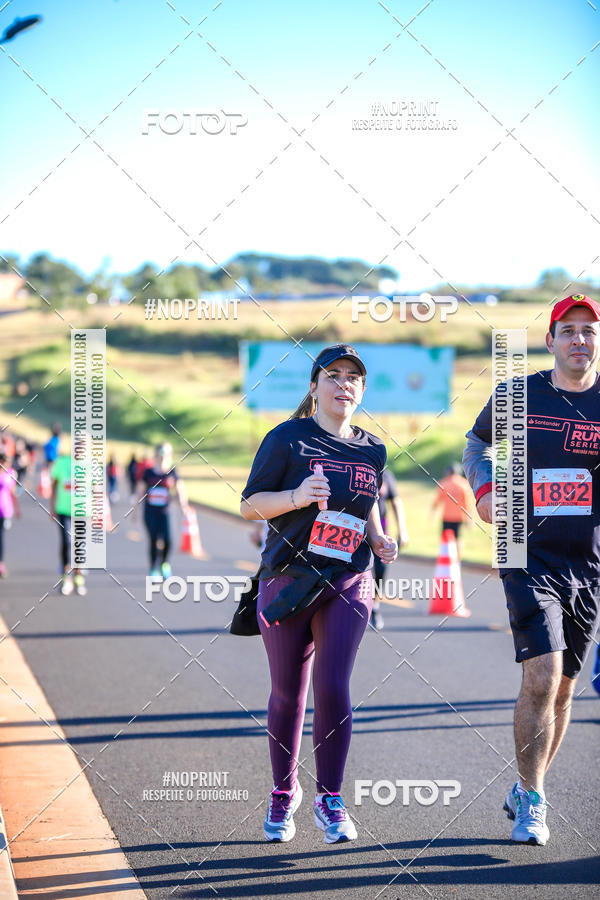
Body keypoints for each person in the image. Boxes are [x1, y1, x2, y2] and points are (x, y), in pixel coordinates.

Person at [240, 343, 397, 844]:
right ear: (314, 387)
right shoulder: (287, 439)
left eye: (353, 377)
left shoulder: (373, 448)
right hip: (286, 579)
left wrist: (376, 536)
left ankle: (330, 798)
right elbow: (249, 505)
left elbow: (366, 501)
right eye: (332, 375)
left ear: (362, 390)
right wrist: (295, 497)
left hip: (347, 578)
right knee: (289, 693)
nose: (343, 383)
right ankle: (284, 792)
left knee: (333, 688)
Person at [463, 294, 600, 846]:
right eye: (566, 330)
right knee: (542, 676)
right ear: (549, 341)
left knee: (565, 689)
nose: (578, 340)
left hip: (587, 562)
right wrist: (485, 487)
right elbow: (477, 442)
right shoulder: (519, 395)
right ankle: (535, 797)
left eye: (588, 331)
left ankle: (527, 787)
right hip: (526, 553)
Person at [134, 442, 188, 578]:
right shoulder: (148, 472)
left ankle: (164, 563)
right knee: (153, 540)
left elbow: (180, 490)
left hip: (166, 512)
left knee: (168, 540)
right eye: (162, 453)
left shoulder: (172, 472)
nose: (164, 457)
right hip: (150, 512)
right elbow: (140, 492)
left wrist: (184, 508)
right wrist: (135, 511)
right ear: (156, 455)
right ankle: (153, 569)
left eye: (168, 453)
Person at [370, 467, 409, 629]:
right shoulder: (360, 468)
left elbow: (396, 502)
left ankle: (375, 605)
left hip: (381, 528)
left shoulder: (387, 476)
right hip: (358, 526)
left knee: (380, 570)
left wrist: (403, 530)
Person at [50, 450, 86, 596]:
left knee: (79, 543)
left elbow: (97, 490)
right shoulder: (62, 462)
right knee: (66, 541)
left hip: (82, 511)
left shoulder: (90, 466)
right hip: (63, 509)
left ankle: (78, 575)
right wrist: (52, 507)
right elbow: (54, 484)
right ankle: (66, 576)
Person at [431, 463, 474, 556]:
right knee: (458, 538)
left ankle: (446, 557)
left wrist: (432, 513)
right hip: (459, 517)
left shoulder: (444, 483)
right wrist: (469, 519)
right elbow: (467, 504)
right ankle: (457, 559)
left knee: (445, 539)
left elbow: (437, 501)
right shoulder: (464, 484)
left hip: (446, 516)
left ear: (448, 472)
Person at [0, 453, 20, 577]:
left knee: (1, 536)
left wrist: (17, 509)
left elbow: (13, 492)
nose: (7, 464)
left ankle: (1, 564)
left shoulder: (11, 473)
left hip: (5, 510)